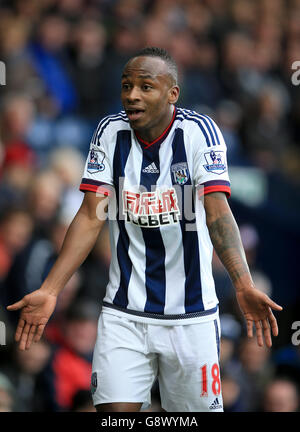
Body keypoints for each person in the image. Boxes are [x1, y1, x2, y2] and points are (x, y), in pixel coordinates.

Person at [7, 47, 283, 413]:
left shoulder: (199, 133)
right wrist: (51, 289)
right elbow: (92, 215)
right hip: (125, 314)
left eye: (145, 86)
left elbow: (218, 213)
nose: (132, 95)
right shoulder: (109, 132)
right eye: (126, 85)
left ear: (173, 94)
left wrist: (243, 284)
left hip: (192, 316)